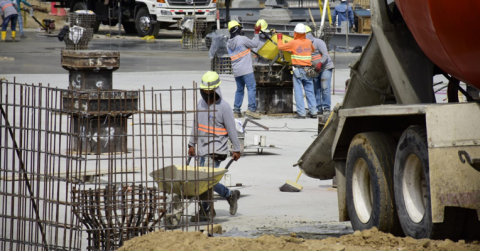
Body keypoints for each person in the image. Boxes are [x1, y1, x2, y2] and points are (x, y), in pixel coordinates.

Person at [188, 71, 242, 222]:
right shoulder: (201, 104)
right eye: (204, 91)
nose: (206, 93)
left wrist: (236, 149)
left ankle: (206, 210)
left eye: (209, 91)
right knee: (204, 180)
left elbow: (231, 129)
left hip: (218, 148)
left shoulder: (224, 107)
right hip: (203, 149)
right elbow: (195, 125)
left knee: (206, 180)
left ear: (215, 89)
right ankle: (228, 196)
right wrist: (191, 143)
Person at [277, 23, 317, 119]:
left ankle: (302, 113)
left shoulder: (293, 43)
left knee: (299, 92)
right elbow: (313, 49)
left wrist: (279, 38)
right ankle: (313, 112)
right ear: (304, 33)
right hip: (308, 70)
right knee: (310, 92)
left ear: (295, 33)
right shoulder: (308, 42)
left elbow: (280, 47)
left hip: (298, 70)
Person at [227, 20, 262, 119]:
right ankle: (251, 109)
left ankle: (236, 111)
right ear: (237, 29)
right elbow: (255, 44)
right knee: (251, 88)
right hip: (246, 70)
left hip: (237, 71)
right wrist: (256, 32)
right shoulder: (242, 39)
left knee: (239, 90)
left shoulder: (228, 43)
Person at [306, 26, 334, 116]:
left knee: (325, 87)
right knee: (316, 89)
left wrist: (320, 63)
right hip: (315, 70)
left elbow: (325, 55)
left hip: (325, 67)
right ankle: (318, 108)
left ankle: (326, 108)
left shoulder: (319, 42)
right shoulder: (303, 44)